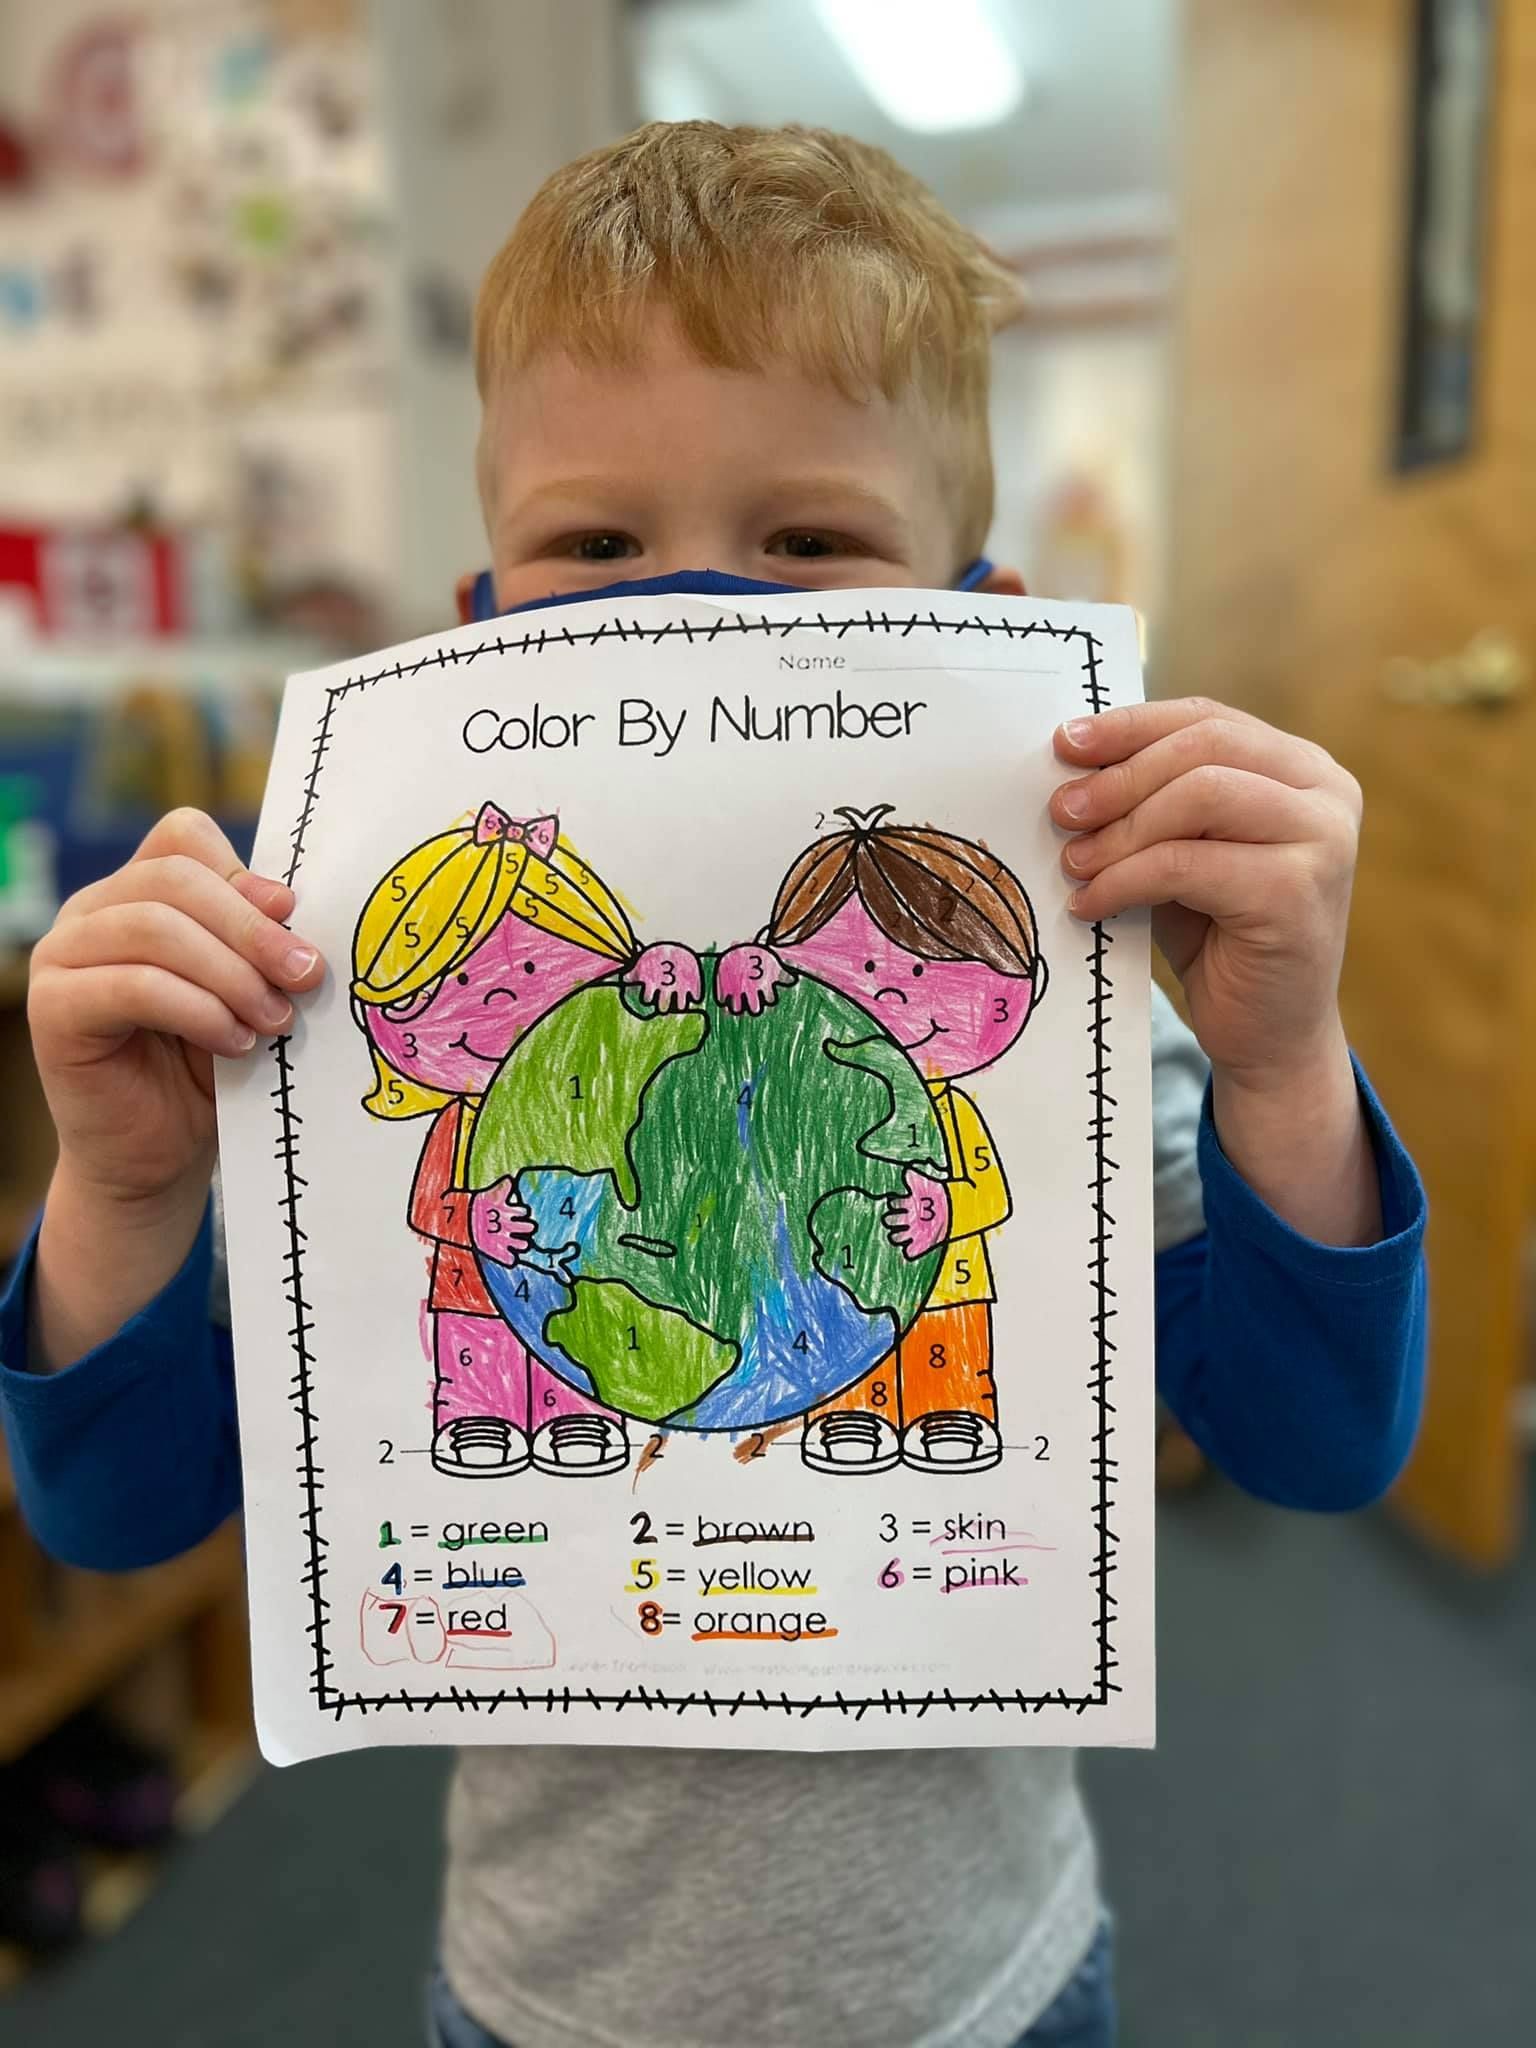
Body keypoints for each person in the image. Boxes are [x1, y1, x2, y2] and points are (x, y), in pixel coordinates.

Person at [2, 122, 1426, 2048]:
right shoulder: (358, 982)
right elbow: (115, 1505)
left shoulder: (1032, 985)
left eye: (809, 538)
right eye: (598, 543)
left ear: (976, 611)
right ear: (485, 613)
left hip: (982, 1983)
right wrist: (122, 1187)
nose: (692, 611)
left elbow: (1316, 1441)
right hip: (544, 1990)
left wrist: (1279, 1058)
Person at [352, 798, 699, 1481]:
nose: (496, 1007)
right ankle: (477, 1414)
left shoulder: (592, 1098)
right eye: (445, 990)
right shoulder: (464, 1120)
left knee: (573, 1338)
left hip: (579, 1276)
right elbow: (429, 1205)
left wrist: (671, 977)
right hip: (473, 1285)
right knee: (481, 1349)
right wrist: (471, 1216)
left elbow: (674, 1073)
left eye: (537, 978)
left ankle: (582, 1413)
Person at [714, 806, 1048, 1477]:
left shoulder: (950, 1111)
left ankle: (952, 1410)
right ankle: (848, 1412)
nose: (895, 994)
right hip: (836, 1276)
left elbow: (988, 1189)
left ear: (1028, 986)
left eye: (933, 974)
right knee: (850, 1344)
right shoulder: (813, 1101)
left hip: (945, 1280)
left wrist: (949, 1209)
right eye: (857, 973)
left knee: (944, 1346)